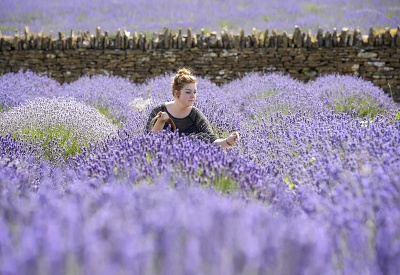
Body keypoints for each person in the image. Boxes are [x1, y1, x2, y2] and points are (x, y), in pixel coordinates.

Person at [146, 68, 239, 149]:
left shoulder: (195, 114)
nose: (193, 96)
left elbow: (212, 140)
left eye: (194, 92)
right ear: (176, 93)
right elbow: (148, 142)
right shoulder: (159, 110)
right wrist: (160, 121)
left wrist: (228, 141)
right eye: (188, 92)